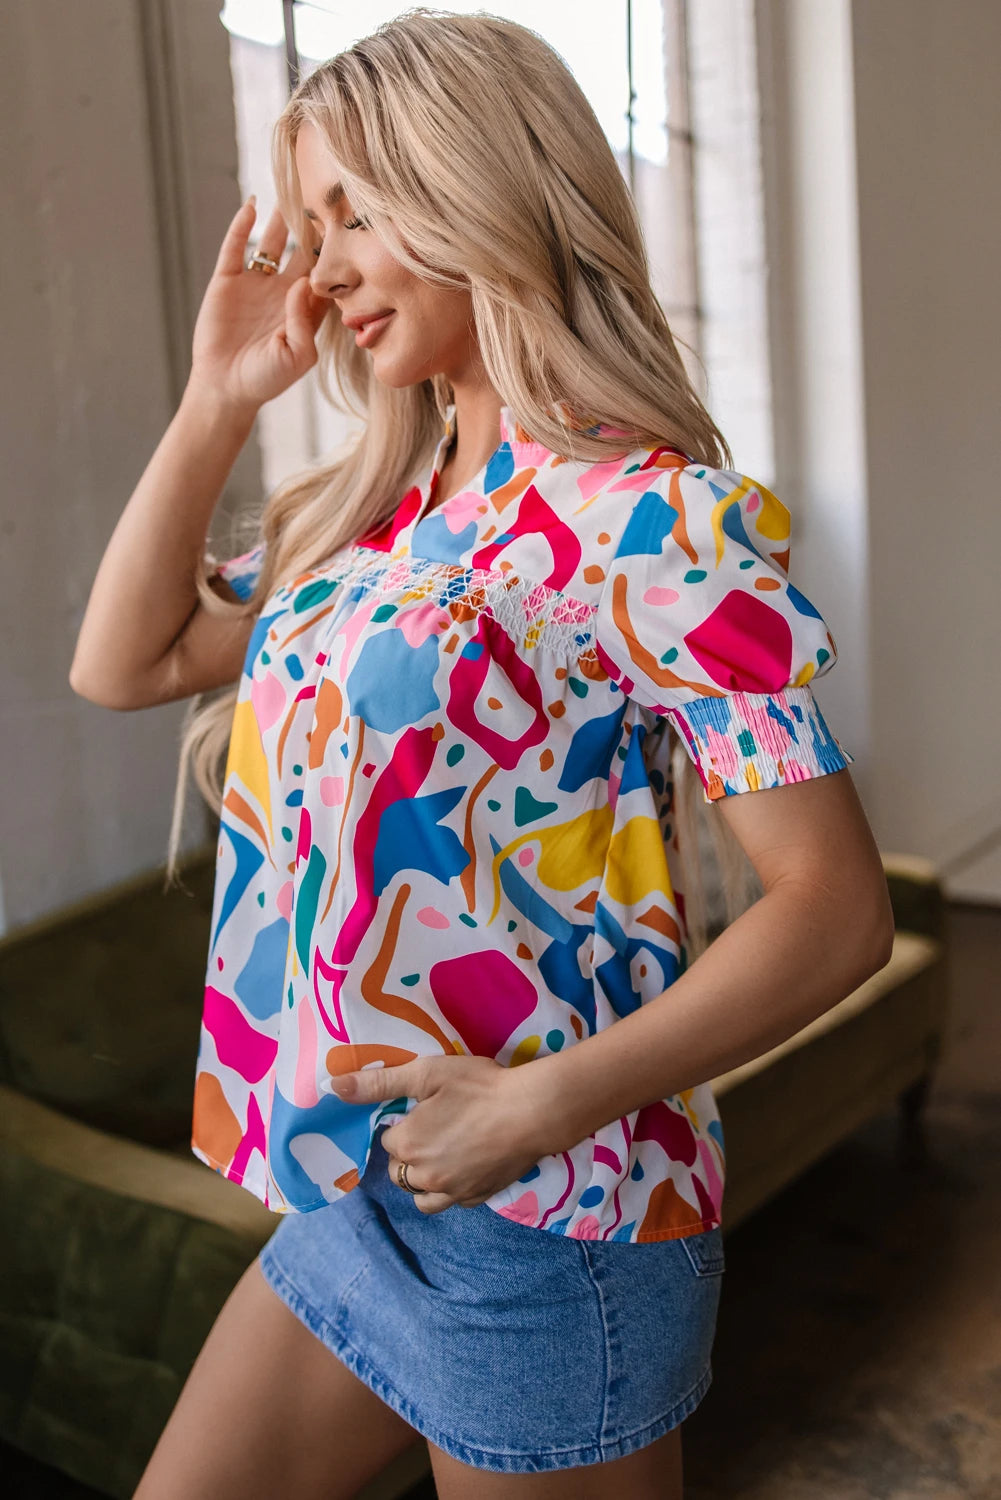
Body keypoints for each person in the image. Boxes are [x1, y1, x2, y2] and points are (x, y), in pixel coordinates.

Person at [70, 9, 894, 1497]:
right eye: (308, 224)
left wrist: (538, 1105)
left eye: (354, 214)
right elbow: (120, 663)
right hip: (351, 1191)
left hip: (551, 1213)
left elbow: (836, 911)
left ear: (478, 191)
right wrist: (217, 399)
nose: (319, 272)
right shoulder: (368, 527)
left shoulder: (653, 525)